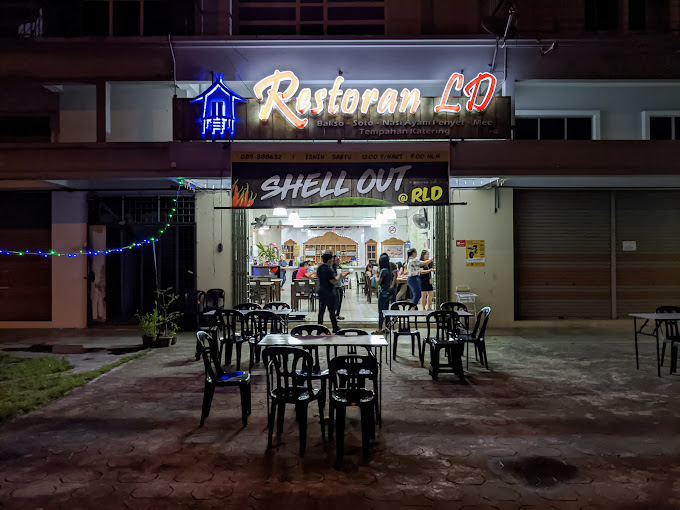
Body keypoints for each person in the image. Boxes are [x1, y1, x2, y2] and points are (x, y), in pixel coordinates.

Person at [317, 252, 348, 333]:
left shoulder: (319, 268)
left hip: (321, 291)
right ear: (329, 260)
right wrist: (339, 276)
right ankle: (335, 327)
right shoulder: (329, 269)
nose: (332, 260)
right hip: (329, 292)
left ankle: (319, 327)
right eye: (331, 259)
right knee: (331, 310)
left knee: (321, 310)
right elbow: (332, 281)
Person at [375, 253, 396, 334]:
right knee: (386, 311)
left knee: (380, 311)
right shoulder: (389, 270)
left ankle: (380, 329)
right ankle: (387, 328)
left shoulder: (383, 271)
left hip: (382, 292)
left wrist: (375, 276)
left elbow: (379, 282)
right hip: (387, 292)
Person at [332, 256, 345, 320]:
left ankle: (337, 314)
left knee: (340, 301)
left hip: (340, 285)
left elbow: (341, 277)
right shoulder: (332, 268)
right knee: (336, 301)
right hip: (334, 286)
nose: (339, 261)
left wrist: (347, 274)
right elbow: (334, 278)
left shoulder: (340, 268)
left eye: (339, 259)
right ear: (333, 261)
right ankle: (333, 314)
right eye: (337, 259)